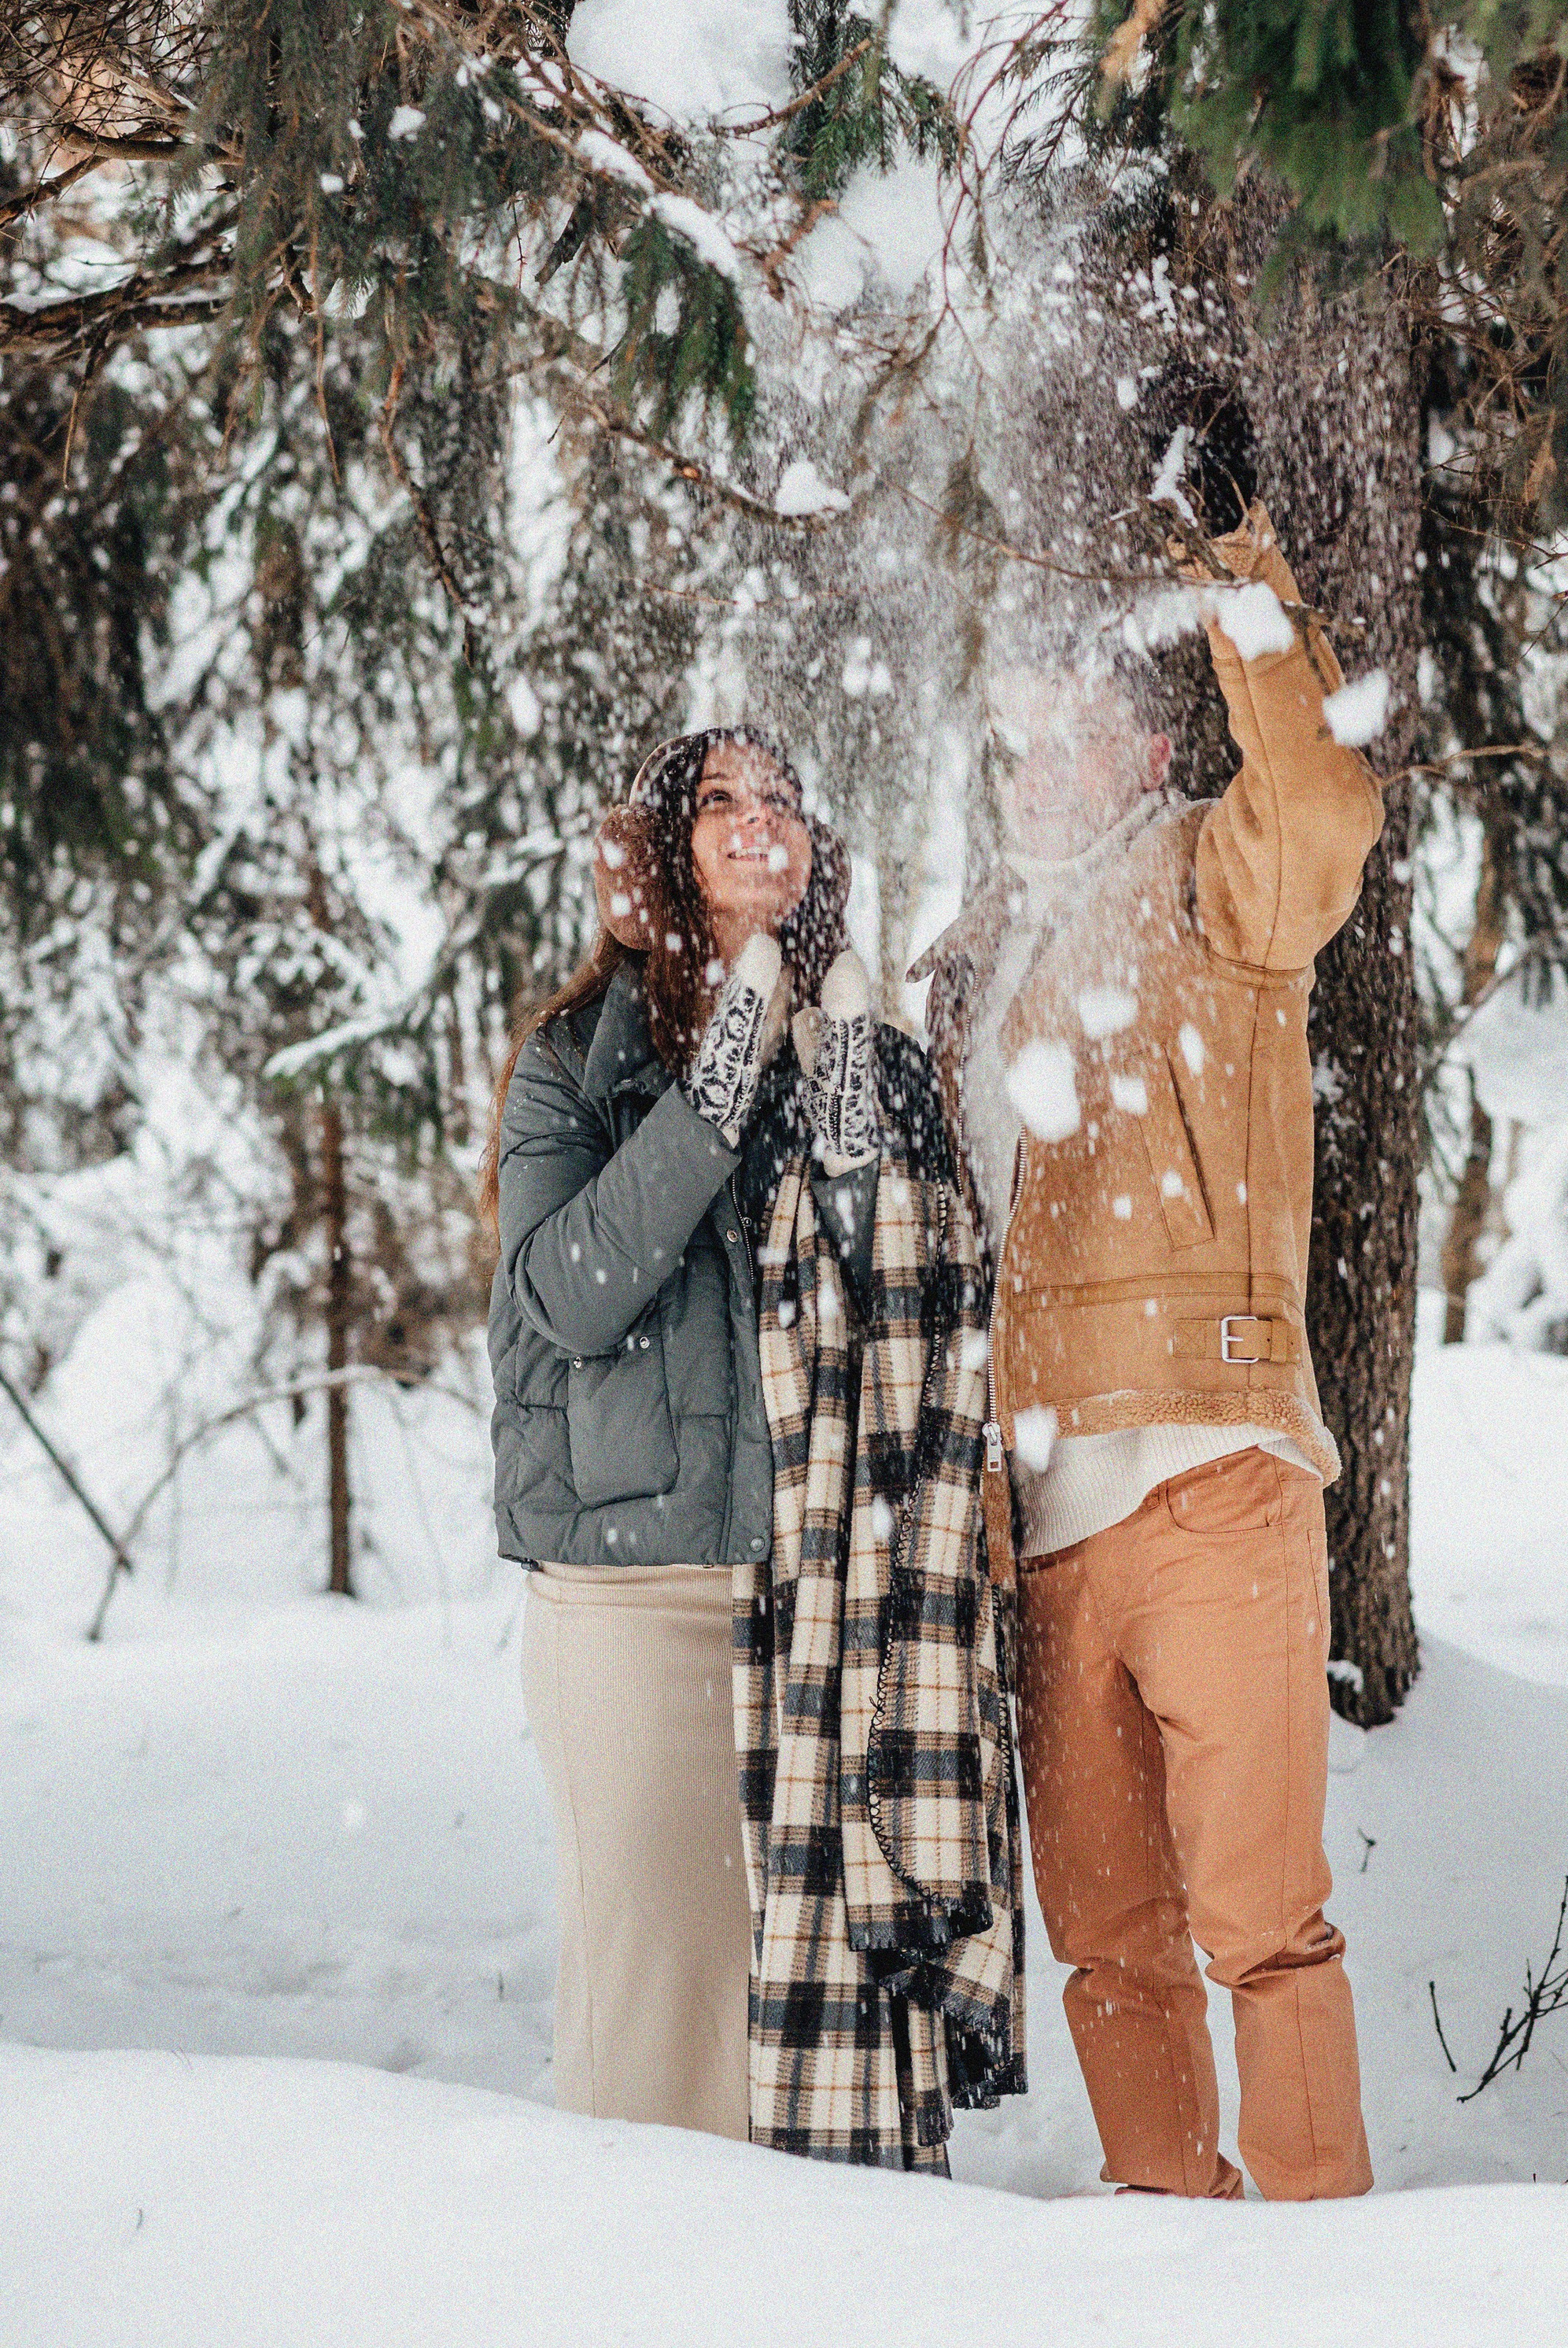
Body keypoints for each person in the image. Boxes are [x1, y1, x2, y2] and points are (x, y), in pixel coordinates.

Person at [912, 497, 1385, 2202]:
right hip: (1032, 1528)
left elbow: (1324, 803)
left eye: (1076, 726)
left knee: (1259, 1921)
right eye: (1015, 736)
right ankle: (1166, 2243)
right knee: (1107, 1939)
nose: (1041, 761)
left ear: (1148, 736)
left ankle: (1331, 2277)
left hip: (1206, 1466)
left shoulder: (1212, 874)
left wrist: (1247, 589)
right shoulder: (958, 965)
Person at [483, 725, 1020, 2163]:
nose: (755, 819)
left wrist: (848, 1120)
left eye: (781, 795)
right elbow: (570, 1295)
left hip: (802, 1609)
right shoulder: (575, 1062)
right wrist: (714, 1092)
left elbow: (903, 1322)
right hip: (631, 1596)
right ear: (667, 847)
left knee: (782, 2028)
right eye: (718, 798)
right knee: (649, 1989)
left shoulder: (856, 1053)